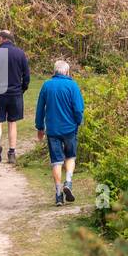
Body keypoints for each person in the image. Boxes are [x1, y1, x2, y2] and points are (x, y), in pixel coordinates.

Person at [34, 59, 84, 206]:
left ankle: (58, 195)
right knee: (70, 157)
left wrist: (40, 127)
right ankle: (68, 182)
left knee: (56, 161)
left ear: (54, 71)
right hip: (69, 129)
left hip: (53, 130)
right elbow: (78, 109)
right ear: (67, 72)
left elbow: (40, 108)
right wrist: (78, 122)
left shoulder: (47, 85)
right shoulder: (72, 86)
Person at [0, 28, 30, 165]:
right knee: (12, 122)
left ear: (1, 38)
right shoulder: (20, 53)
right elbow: (27, 76)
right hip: (15, 93)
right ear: (11, 38)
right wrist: (21, 89)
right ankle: (12, 153)